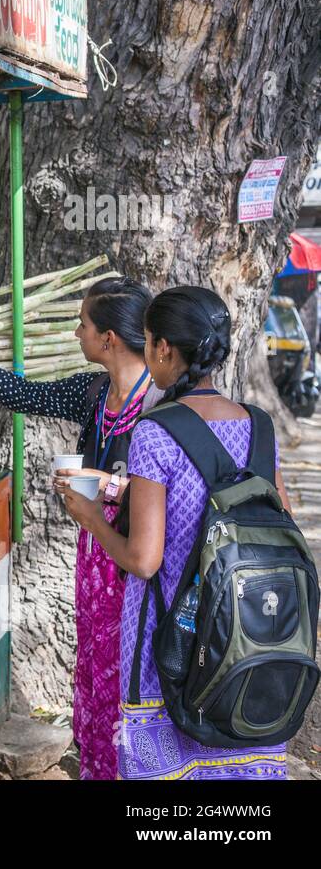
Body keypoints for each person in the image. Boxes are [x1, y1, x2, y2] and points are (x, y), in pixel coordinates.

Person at [0, 277, 159, 780]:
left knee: (131, 675)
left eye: (84, 324)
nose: (76, 333)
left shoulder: (162, 405)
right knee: (93, 669)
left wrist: (104, 487)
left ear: (108, 338)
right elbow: (24, 395)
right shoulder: (92, 393)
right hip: (95, 559)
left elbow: (167, 496)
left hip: (139, 564)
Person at [64, 286, 292, 779]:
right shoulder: (260, 427)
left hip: (172, 641)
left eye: (147, 341)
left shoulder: (155, 431)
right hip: (250, 634)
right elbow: (280, 522)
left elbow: (144, 559)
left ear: (163, 348)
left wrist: (92, 518)